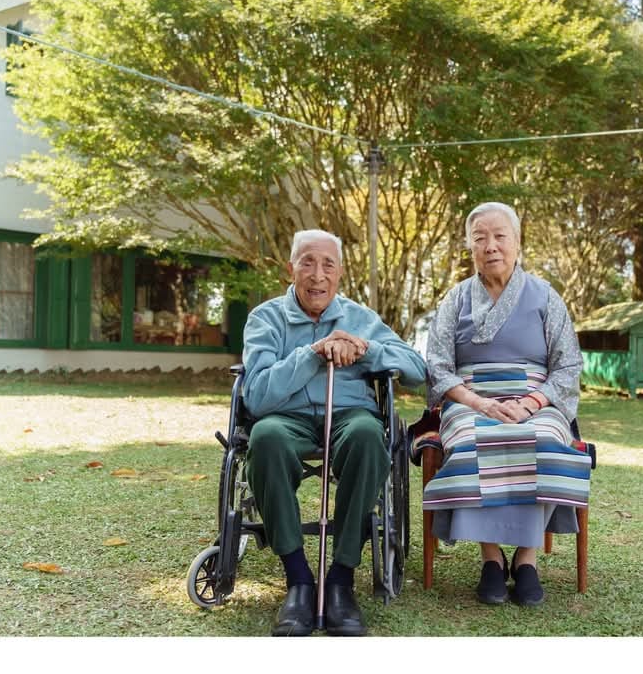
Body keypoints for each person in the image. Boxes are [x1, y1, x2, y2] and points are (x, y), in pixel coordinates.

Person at [242, 229, 426, 636]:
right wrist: (312, 354)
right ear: (291, 268)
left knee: (366, 435)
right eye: (307, 262)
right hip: (284, 418)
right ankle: (299, 581)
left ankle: (341, 578)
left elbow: (417, 369)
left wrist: (365, 348)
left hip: (347, 415)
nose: (317, 274)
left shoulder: (360, 318)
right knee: (265, 437)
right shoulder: (265, 319)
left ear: (340, 273)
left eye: (328, 264)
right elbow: (255, 396)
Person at [422, 201, 590, 606]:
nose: (491, 246)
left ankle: (527, 559)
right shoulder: (456, 299)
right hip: (470, 399)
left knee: (546, 438)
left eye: (500, 237)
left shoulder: (545, 297)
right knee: (472, 439)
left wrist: (533, 402)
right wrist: (478, 403)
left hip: (536, 399)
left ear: (517, 243)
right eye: (480, 238)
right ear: (470, 247)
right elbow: (438, 367)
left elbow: (568, 364)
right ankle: (492, 558)